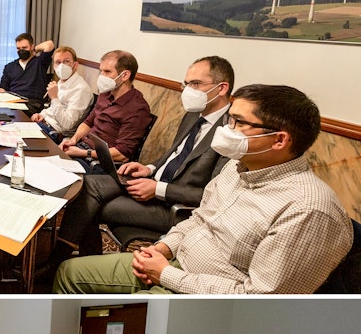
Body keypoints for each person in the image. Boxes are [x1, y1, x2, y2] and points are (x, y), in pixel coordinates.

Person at [54, 84, 353, 294]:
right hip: (173, 261)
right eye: (229, 119)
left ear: (279, 140)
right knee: (68, 274)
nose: (227, 129)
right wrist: (164, 247)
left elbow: (259, 298)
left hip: (194, 292)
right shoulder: (237, 169)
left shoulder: (308, 210)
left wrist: (167, 275)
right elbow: (198, 218)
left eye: (238, 122)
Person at [49, 56, 233, 262]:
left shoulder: (231, 134)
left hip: (174, 207)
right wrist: (150, 167)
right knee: (86, 186)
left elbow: (213, 196)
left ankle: (64, 261)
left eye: (196, 84)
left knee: (90, 205)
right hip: (154, 182)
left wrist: (158, 189)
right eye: (186, 83)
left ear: (222, 88)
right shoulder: (194, 115)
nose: (188, 90)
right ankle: (73, 260)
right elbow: (174, 153)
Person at [58, 50, 153, 171]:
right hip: (82, 149)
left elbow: (122, 154)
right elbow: (89, 122)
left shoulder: (137, 108)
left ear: (125, 75)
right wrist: (73, 139)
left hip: (99, 162)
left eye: (107, 71)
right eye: (100, 71)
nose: (101, 76)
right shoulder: (105, 94)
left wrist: (83, 153)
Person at [30, 45, 94, 141]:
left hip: (54, 133)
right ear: (54, 66)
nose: (62, 66)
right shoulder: (61, 82)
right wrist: (42, 115)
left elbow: (68, 125)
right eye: (58, 62)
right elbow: (52, 109)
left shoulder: (81, 89)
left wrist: (54, 98)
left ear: (75, 65)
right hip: (43, 124)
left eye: (66, 62)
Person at [0, 33, 54, 114]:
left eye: (24, 47)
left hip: (32, 104)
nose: (21, 51)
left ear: (31, 46)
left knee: (15, 115)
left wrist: (35, 50)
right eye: (18, 48)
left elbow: (49, 44)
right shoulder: (9, 67)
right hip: (12, 102)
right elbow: (2, 87)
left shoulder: (40, 62)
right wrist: (0, 95)